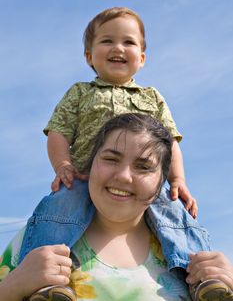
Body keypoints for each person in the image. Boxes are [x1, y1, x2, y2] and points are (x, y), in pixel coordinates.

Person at [18, 7, 211, 297]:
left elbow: (170, 142)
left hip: (144, 183)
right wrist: (63, 166)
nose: (118, 48)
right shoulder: (80, 93)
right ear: (89, 56)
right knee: (57, 211)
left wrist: (178, 180)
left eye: (129, 42)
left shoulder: (152, 97)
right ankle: (43, 279)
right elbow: (58, 132)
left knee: (177, 217)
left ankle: (200, 278)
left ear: (142, 58)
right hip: (85, 177)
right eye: (107, 41)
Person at [0, 114, 232, 301]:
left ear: (162, 182)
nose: (123, 176)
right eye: (111, 159)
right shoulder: (36, 244)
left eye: (143, 167)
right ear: (90, 165)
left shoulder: (194, 263)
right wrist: (11, 288)